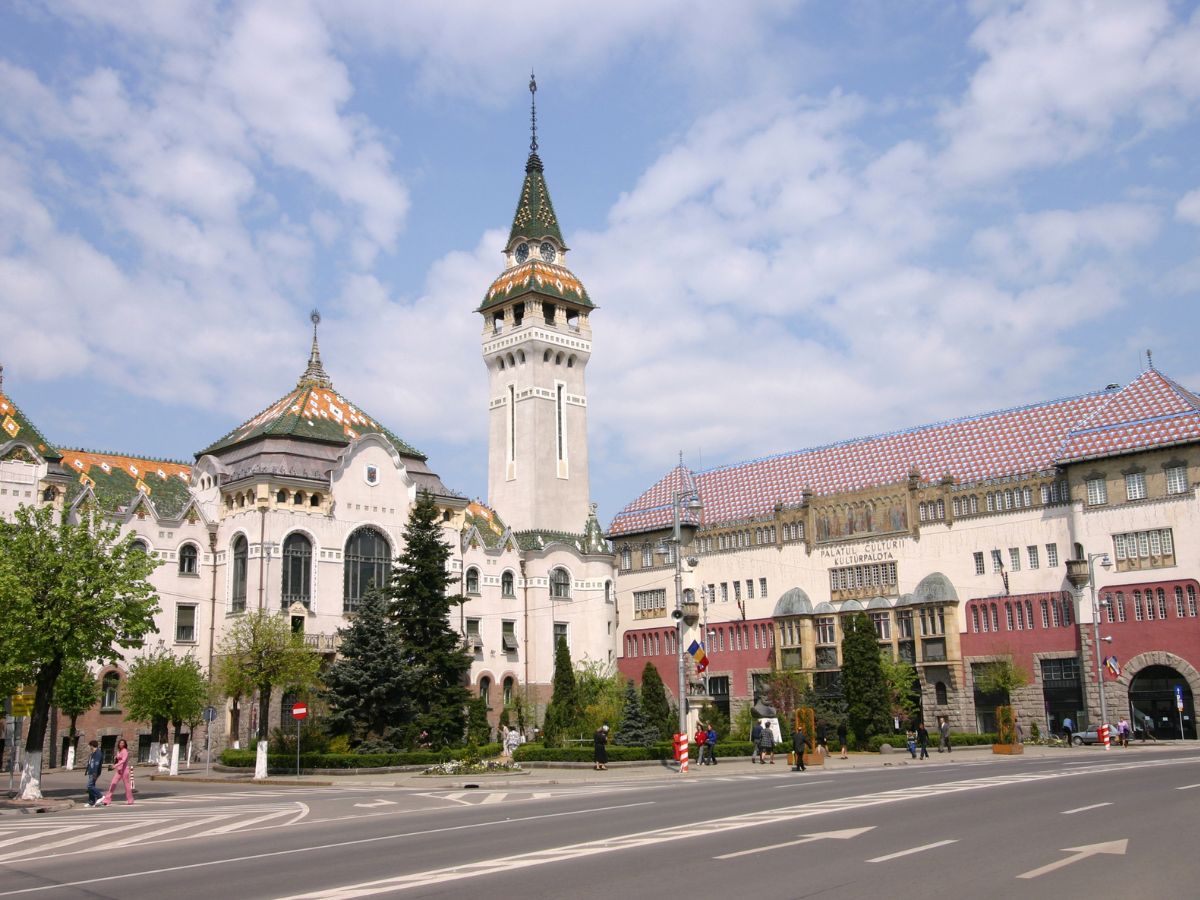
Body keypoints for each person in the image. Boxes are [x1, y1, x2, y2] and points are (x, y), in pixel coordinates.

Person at [102, 737, 133, 806]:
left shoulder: (125, 751)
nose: (121, 744)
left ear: (125, 744)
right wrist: (115, 762)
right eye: (120, 743)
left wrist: (115, 766)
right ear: (118, 744)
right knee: (113, 783)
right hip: (119, 770)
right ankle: (107, 800)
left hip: (125, 771)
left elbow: (123, 760)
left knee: (127, 786)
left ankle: (130, 800)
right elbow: (117, 759)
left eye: (123, 743)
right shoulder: (119, 751)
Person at [84, 740, 104, 807]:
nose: (89, 747)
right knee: (91, 787)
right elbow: (90, 763)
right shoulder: (93, 753)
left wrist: (95, 773)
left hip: (94, 772)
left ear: (92, 745)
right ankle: (91, 802)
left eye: (90, 746)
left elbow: (96, 764)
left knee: (89, 786)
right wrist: (87, 771)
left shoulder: (98, 753)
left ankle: (100, 796)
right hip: (91, 772)